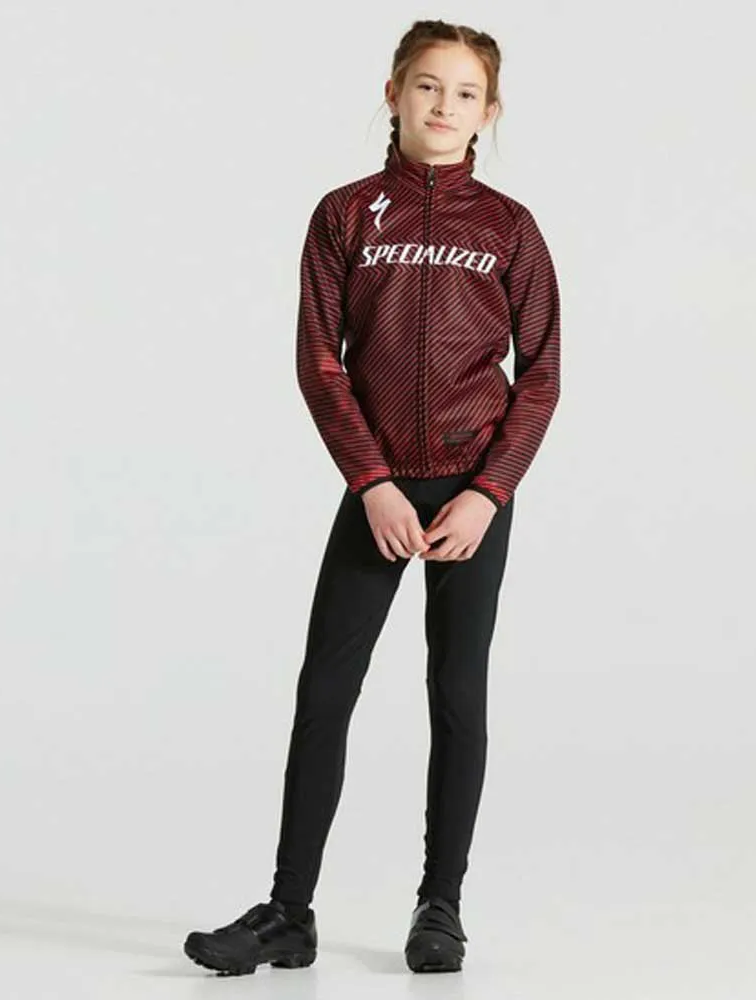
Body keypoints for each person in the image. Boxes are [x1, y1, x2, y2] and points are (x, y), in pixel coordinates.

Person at [184, 17, 561, 976]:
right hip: (378, 492)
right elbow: (321, 362)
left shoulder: (509, 229)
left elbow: (542, 373)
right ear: (394, 94)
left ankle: (442, 908)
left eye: (466, 93)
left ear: (490, 110)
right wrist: (372, 484)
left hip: (472, 494)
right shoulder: (346, 216)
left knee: (457, 696)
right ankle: (288, 913)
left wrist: (489, 493)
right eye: (428, 86)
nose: (445, 106)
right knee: (325, 690)